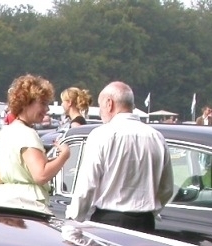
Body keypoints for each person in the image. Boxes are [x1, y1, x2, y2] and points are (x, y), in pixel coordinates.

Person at [66, 81, 174, 234]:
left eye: (100, 106)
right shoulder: (156, 137)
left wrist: (74, 220)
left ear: (109, 103)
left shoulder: (101, 135)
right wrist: (152, 209)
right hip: (146, 223)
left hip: (109, 221)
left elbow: (87, 185)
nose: (100, 112)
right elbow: (167, 188)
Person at [0, 74, 72, 210]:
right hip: (29, 204)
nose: (47, 109)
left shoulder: (5, 132)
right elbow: (41, 175)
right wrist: (64, 156)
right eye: (43, 103)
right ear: (26, 102)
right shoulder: (27, 134)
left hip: (6, 199)